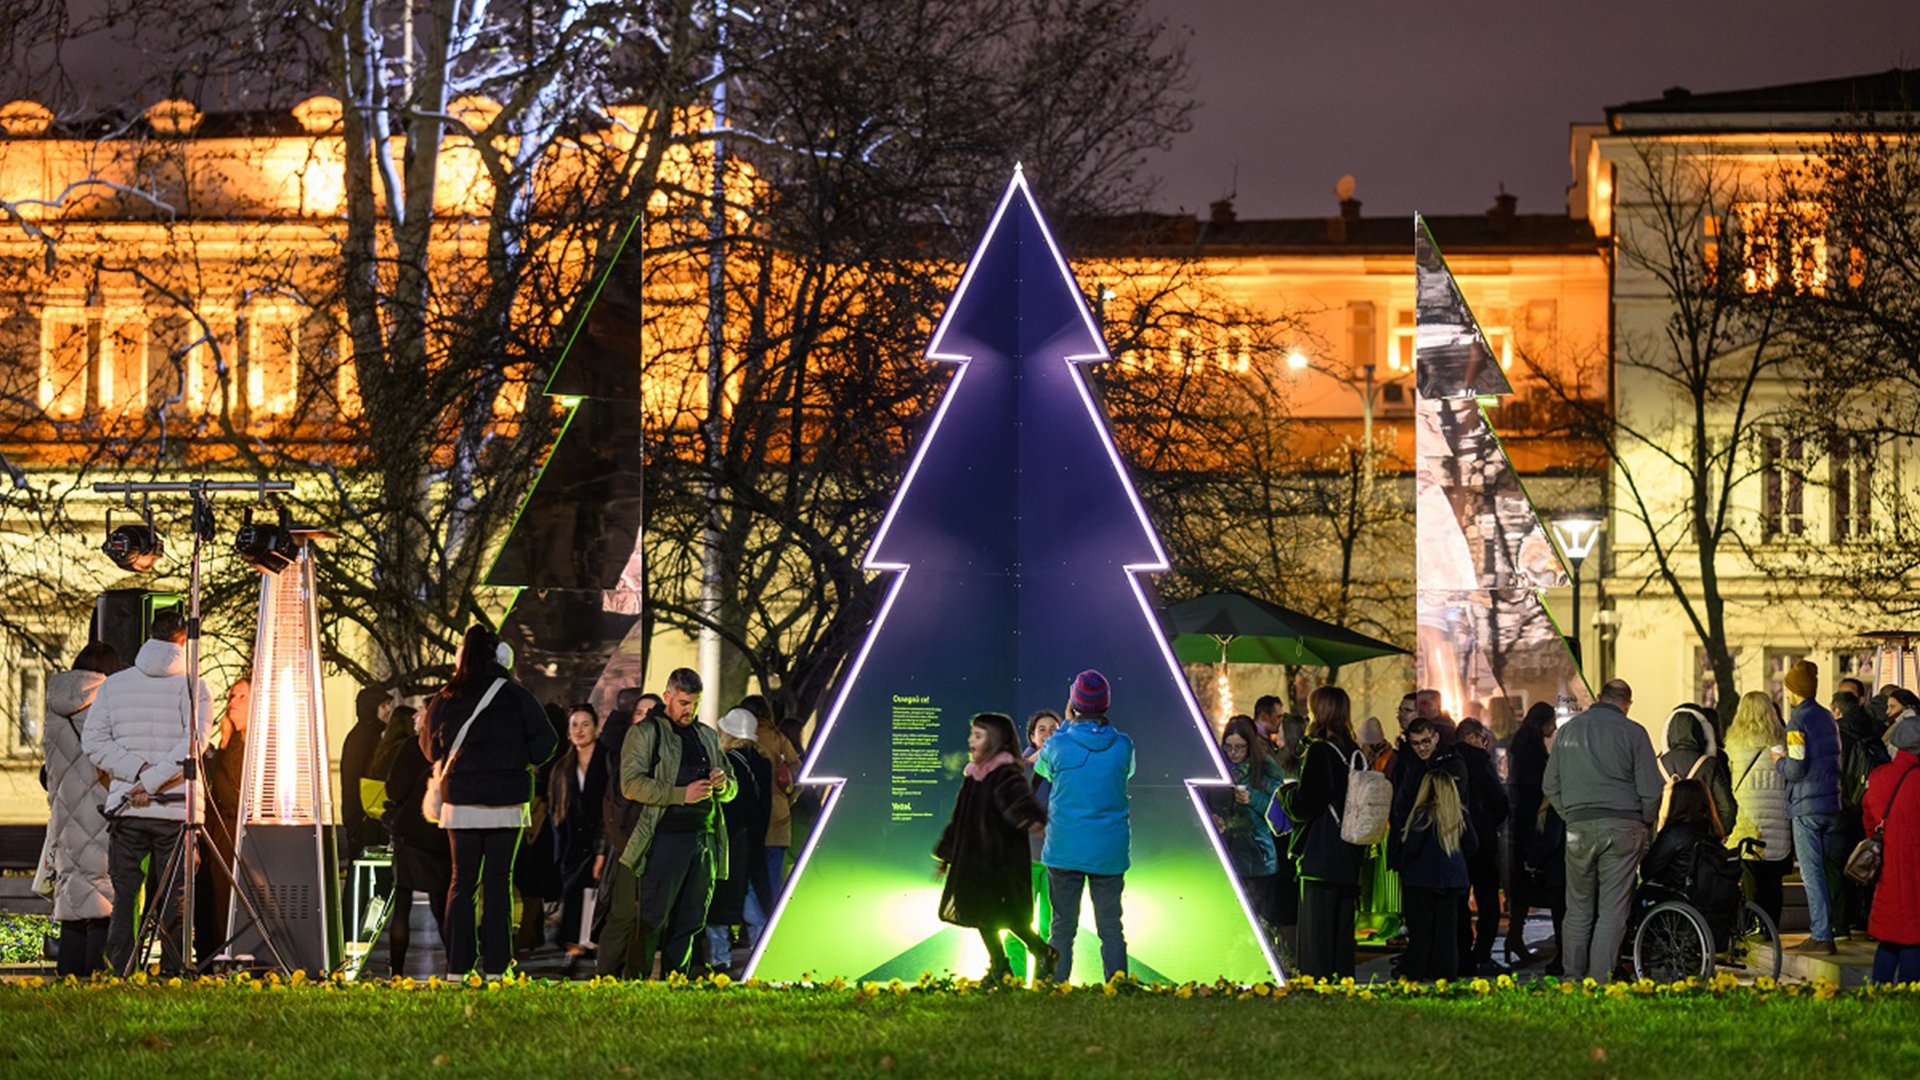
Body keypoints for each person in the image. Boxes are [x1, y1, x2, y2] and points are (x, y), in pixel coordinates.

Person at [419, 625, 558, 977]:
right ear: (500, 656)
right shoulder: (516, 695)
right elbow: (547, 743)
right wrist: (516, 760)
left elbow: (429, 748)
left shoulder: (446, 697)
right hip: (507, 805)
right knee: (499, 883)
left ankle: (458, 966)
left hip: (460, 804)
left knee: (461, 884)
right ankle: (497, 967)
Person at [83, 608, 212, 975]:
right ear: (184, 639)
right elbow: (193, 746)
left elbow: (93, 742)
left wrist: (136, 775)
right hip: (176, 811)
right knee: (176, 898)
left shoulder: (114, 685)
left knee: (125, 897)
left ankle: (121, 969)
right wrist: (153, 780)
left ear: (149, 636)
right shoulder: (195, 686)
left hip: (127, 809)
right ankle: (172, 971)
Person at [612, 668, 736, 979]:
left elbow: (732, 788)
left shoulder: (706, 735)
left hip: (704, 838)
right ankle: (636, 984)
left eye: (694, 703)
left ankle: (674, 982)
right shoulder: (645, 733)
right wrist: (681, 794)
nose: (689, 710)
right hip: (665, 838)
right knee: (653, 918)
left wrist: (722, 785)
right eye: (683, 702)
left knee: (691, 920)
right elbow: (630, 785)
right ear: (667, 696)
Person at [1541, 679, 1661, 982]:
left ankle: (1572, 977)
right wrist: (1645, 822)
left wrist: (1570, 815)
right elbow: (1651, 789)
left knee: (1578, 907)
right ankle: (1599, 980)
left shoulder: (1567, 732)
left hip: (1579, 827)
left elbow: (1549, 786)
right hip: (1623, 827)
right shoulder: (1634, 732)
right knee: (1612, 909)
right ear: (1626, 703)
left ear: (1600, 698)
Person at [936, 712, 1056, 982]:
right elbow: (959, 819)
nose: (971, 741)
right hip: (976, 861)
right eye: (972, 735)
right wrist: (946, 855)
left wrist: (1035, 822)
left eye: (978, 736)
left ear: (995, 741)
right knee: (981, 914)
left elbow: (1019, 805)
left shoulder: (1005, 775)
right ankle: (1001, 965)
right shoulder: (974, 777)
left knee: (1006, 917)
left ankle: (1037, 953)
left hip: (1000, 863)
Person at [1035, 670, 1135, 983]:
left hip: (1065, 849)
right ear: (1106, 703)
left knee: (1061, 928)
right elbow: (1126, 774)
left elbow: (1044, 771)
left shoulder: (1056, 745)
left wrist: (1067, 725)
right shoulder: (1123, 746)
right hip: (1109, 850)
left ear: (1073, 703)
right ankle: (1118, 989)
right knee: (1111, 927)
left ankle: (1056, 988)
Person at [42, 641, 123, 977]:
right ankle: (96, 977)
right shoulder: (107, 702)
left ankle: (69, 976)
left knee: (75, 898)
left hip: (64, 815)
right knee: (103, 897)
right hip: (100, 810)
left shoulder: (53, 706)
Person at [1282, 686, 1366, 979]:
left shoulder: (1319, 750)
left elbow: (1308, 803)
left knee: (1316, 932)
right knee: (1342, 932)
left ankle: (1316, 986)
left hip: (1321, 852)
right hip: (1349, 849)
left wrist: (1287, 795)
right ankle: (1342, 983)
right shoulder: (1354, 750)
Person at [1774, 659, 1843, 954]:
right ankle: (1834, 926)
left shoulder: (1797, 722)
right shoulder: (1827, 716)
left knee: (1811, 873)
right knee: (1827, 870)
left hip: (1806, 807)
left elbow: (1796, 769)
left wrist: (1779, 762)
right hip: (1831, 801)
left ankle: (1821, 934)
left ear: (1794, 690)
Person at [705, 706, 773, 972]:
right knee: (754, 900)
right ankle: (761, 953)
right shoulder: (763, 763)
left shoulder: (725, 764)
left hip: (729, 842)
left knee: (720, 904)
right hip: (755, 841)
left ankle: (719, 958)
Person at [1391, 768, 1475, 980]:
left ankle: (1417, 971)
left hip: (1422, 880)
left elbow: (1412, 846)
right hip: (1453, 882)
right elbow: (1473, 845)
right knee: (1447, 935)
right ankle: (1445, 973)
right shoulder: (1459, 814)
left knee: (1421, 933)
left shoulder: (1422, 814)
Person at [383, 705, 449, 976]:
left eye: (421, 710)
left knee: (402, 904)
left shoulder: (412, 747)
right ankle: (456, 964)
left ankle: (396, 971)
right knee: (442, 903)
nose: (415, 716)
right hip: (441, 833)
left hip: (409, 834)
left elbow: (394, 789)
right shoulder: (451, 748)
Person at [1724, 690, 1793, 929]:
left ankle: (1752, 925)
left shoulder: (1733, 744)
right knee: (1773, 881)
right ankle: (1770, 927)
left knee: (1749, 877)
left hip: (1747, 820)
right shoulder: (1780, 742)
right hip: (1777, 821)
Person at [548, 704, 608, 977]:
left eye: (585, 724)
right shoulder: (562, 767)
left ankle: (595, 948)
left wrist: (602, 849)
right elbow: (556, 811)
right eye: (574, 725)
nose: (579, 730)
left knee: (600, 898)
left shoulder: (608, 760)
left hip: (602, 842)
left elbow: (611, 807)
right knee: (573, 896)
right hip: (572, 845)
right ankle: (573, 948)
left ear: (596, 727)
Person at [1207, 716, 1283, 927]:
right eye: (1228, 747)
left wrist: (1253, 799)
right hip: (1226, 853)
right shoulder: (1217, 767)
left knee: (1260, 921)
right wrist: (1214, 816)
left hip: (1257, 856)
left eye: (1239, 747)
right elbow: (1206, 800)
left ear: (1250, 746)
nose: (1233, 753)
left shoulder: (1266, 769)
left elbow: (1278, 811)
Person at [1863, 715, 1920, 983]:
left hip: (1888, 870)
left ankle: (1879, 993)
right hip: (1915, 871)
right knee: (1913, 937)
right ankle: (1910, 997)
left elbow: (1869, 822)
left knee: (1890, 937)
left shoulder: (1879, 778)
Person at [196, 677, 250, 959]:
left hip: (236, 830)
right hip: (217, 831)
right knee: (214, 897)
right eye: (231, 695)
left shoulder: (252, 747)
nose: (233, 702)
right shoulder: (225, 744)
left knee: (229, 896)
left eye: (242, 696)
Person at [1454, 718, 1509, 974]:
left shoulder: (1448, 761)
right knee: (1488, 902)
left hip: (1457, 840)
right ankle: (1482, 954)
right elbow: (1499, 802)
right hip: (1483, 840)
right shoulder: (1480, 762)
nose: (1484, 743)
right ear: (1471, 737)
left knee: (1459, 899)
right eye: (1482, 737)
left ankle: (1463, 953)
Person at [1007, 708, 1060, 976]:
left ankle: (1045, 981)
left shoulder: (1064, 767)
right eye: (1042, 730)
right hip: (1024, 858)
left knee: (1049, 924)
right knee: (1018, 922)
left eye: (1054, 729)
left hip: (1054, 858)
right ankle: (1014, 978)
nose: (1049, 734)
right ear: (1031, 736)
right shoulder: (1021, 765)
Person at [512, 703, 567, 958]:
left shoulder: (545, 754)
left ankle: (528, 931)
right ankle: (533, 931)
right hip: (546, 821)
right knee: (533, 877)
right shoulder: (562, 751)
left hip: (539, 820)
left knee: (530, 878)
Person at [1835, 687, 1890, 938]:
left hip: (1844, 805)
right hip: (1870, 805)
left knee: (1843, 863)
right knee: (1869, 861)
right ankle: (1867, 917)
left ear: (1837, 710)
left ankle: (1845, 919)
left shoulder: (1838, 733)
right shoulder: (1874, 730)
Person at [1505, 702, 1555, 963]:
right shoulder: (1530, 749)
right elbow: (1534, 787)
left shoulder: (1522, 745)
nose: (1554, 727)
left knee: (1522, 885)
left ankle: (1515, 936)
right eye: (1551, 722)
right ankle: (1515, 937)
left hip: (1521, 823)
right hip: (1529, 823)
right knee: (1528, 881)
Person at [742, 694, 801, 895]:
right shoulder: (779, 738)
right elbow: (797, 774)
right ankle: (769, 922)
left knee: (748, 880)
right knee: (773, 880)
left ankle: (750, 924)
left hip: (749, 819)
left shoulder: (742, 738)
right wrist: (788, 798)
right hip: (779, 817)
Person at [1640, 778, 1726, 902]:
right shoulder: (1713, 831)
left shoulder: (1674, 832)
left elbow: (1648, 870)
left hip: (1678, 896)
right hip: (1708, 896)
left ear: (1677, 802)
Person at [1659, 705, 1737, 839]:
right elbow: (1727, 807)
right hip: (1702, 836)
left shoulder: (1658, 763)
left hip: (1668, 837)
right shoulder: (1709, 764)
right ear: (1700, 732)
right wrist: (1720, 832)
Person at [340, 687, 393, 858]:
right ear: (371, 707)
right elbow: (354, 780)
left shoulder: (369, 735)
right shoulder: (363, 738)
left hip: (367, 815)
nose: (388, 710)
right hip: (365, 816)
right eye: (384, 706)